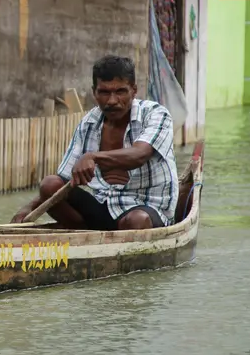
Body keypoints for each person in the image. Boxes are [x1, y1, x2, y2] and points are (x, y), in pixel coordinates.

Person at [10, 55, 178, 230]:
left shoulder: (156, 114)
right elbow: (66, 180)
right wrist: (29, 208)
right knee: (49, 184)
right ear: (94, 92)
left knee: (136, 220)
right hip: (105, 205)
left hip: (148, 207)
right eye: (104, 92)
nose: (112, 101)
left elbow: (139, 154)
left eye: (120, 91)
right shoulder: (89, 122)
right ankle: (84, 234)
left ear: (133, 91)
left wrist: (93, 157)